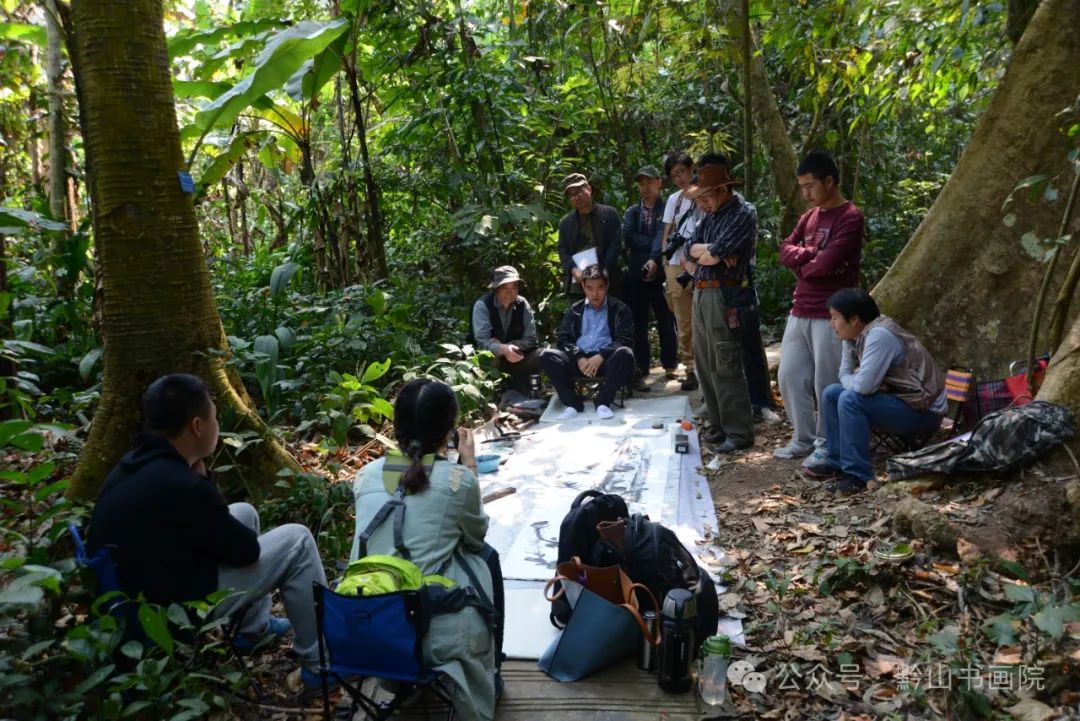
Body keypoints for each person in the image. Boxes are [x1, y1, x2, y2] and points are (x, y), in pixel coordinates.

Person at [87, 374, 329, 691]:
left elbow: (206, 525)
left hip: (140, 591)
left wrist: (199, 476)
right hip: (163, 616)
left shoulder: (136, 462)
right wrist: (201, 482)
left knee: (243, 512)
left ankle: (251, 631)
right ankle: (321, 663)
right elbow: (246, 552)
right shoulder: (182, 485)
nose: (218, 424)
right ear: (198, 426)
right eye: (215, 416)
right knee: (296, 540)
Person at [351, 379, 503, 721]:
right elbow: (475, 538)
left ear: (396, 425)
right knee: (485, 558)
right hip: (423, 633)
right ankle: (491, 673)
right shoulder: (457, 479)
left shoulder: (365, 475)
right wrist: (469, 464)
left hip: (361, 625)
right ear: (448, 430)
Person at [805, 289, 946, 495]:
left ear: (854, 319)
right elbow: (844, 374)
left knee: (850, 398)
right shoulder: (852, 337)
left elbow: (863, 387)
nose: (831, 324)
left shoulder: (880, 335)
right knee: (831, 392)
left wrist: (855, 380)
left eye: (835, 318)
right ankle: (835, 461)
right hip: (897, 401)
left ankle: (858, 476)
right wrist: (855, 380)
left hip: (923, 412)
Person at [774, 151, 865, 464]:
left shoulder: (850, 217)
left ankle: (828, 444)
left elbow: (824, 266)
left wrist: (806, 261)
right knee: (789, 375)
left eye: (810, 185)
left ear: (829, 181)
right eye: (801, 187)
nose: (805, 192)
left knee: (827, 381)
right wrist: (809, 255)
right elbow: (785, 251)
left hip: (832, 313)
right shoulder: (808, 217)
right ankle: (803, 438)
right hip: (800, 309)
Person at [683, 158, 755, 453]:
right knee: (704, 361)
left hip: (724, 294)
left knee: (725, 360)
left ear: (723, 189)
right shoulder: (708, 216)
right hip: (701, 292)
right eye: (698, 198)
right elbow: (691, 250)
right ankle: (717, 424)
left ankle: (738, 431)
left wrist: (708, 253)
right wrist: (706, 252)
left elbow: (716, 254)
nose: (701, 204)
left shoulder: (741, 213)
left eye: (706, 197)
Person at [539, 264, 635, 421]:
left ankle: (604, 402)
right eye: (589, 288)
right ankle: (572, 404)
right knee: (547, 355)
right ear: (583, 286)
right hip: (580, 361)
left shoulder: (620, 308)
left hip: (606, 361)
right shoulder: (574, 310)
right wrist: (579, 356)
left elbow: (625, 338)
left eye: (599, 288)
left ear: (607, 286)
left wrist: (601, 355)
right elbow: (564, 339)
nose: (595, 293)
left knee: (625, 353)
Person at [622, 165, 678, 391]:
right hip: (637, 273)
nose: (645, 187)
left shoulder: (667, 209)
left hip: (662, 271)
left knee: (666, 318)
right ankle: (642, 365)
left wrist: (655, 256)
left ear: (659, 183)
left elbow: (664, 236)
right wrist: (653, 250)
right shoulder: (632, 212)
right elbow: (629, 238)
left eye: (649, 182)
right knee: (638, 321)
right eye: (641, 183)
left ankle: (670, 364)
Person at [660, 152, 699, 391]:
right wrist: (666, 261)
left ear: (692, 168)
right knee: (683, 320)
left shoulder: (705, 194)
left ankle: (708, 366)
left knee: (705, 316)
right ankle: (691, 368)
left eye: (682, 172)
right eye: (674, 176)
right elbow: (667, 234)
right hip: (676, 264)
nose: (679, 179)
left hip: (702, 262)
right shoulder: (674, 200)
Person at [468, 265, 540, 396]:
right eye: (504, 288)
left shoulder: (522, 304)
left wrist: (509, 347)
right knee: (490, 356)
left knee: (541, 354)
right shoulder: (483, 306)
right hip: (491, 362)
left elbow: (531, 340)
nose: (510, 292)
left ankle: (522, 386)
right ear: (495, 289)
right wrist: (501, 349)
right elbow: (482, 343)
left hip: (517, 357)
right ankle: (492, 392)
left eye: (514, 287)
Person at [557, 172, 623, 297]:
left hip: (609, 281)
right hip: (579, 285)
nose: (576, 197)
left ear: (589, 189)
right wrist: (573, 269)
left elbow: (615, 245)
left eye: (578, 191)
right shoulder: (566, 223)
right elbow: (562, 250)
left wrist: (603, 272)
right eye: (571, 195)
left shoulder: (609, 214)